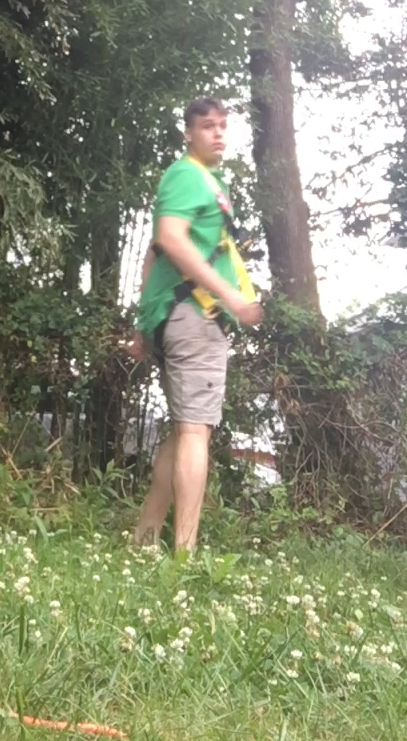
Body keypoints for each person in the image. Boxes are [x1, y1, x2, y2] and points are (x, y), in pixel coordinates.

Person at [132, 96, 262, 552]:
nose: (219, 133)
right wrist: (232, 297)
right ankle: (184, 555)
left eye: (223, 125)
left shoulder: (206, 180)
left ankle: (145, 539)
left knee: (184, 429)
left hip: (178, 315)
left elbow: (153, 253)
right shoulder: (187, 175)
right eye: (208, 126)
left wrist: (141, 325)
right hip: (196, 315)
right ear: (188, 134)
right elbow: (170, 239)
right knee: (194, 431)